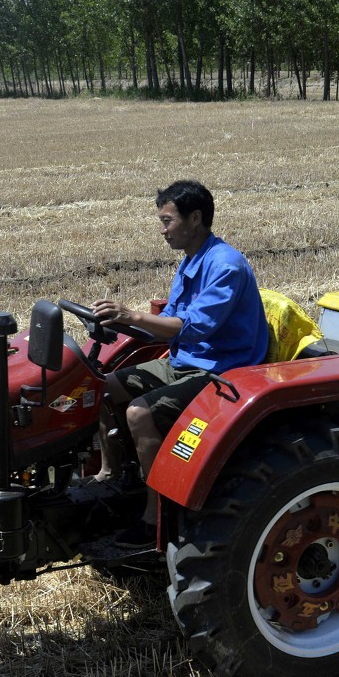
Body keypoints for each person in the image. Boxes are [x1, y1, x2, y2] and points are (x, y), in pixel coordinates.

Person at [92, 180, 268, 549]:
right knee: (99, 388)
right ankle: (109, 475)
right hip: (185, 359)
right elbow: (168, 322)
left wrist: (132, 314)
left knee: (141, 414)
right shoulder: (191, 260)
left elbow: (190, 328)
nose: (162, 230)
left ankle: (155, 518)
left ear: (196, 218)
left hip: (220, 369)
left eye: (168, 221)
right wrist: (117, 320)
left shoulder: (225, 266)